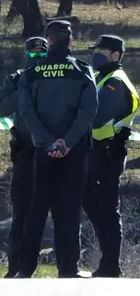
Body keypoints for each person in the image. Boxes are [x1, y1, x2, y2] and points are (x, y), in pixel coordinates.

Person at [16, 20, 98, 279]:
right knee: (69, 209)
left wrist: (48, 140)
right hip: (74, 151)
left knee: (36, 209)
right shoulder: (82, 70)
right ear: (71, 41)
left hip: (42, 150)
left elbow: (26, 112)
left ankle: (25, 269)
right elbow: (89, 110)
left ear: (48, 40)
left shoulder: (32, 73)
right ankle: (68, 269)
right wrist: (68, 141)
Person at [0, 37, 49, 278]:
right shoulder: (17, 78)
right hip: (25, 152)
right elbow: (1, 107)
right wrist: (25, 87)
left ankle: (67, 268)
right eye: (33, 55)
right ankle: (15, 267)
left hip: (52, 152)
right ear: (26, 55)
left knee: (58, 211)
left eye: (42, 54)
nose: (37, 59)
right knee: (21, 214)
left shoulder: (56, 77)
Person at [83, 35, 138, 278]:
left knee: (106, 207)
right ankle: (107, 260)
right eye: (96, 50)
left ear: (116, 55)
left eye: (102, 51)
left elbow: (96, 115)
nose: (97, 55)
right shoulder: (102, 78)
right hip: (97, 152)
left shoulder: (115, 83)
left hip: (108, 152)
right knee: (92, 203)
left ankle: (110, 265)